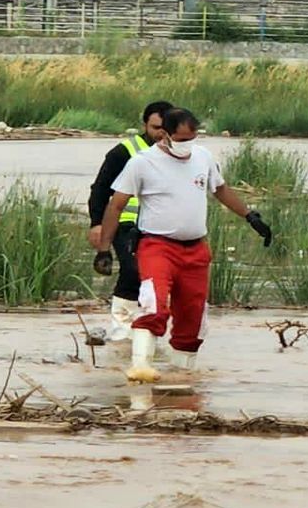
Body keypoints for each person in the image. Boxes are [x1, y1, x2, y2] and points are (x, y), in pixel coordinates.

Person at [95, 108, 273, 382]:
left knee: (193, 319)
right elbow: (116, 205)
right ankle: (140, 368)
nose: (187, 144)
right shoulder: (142, 162)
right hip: (156, 246)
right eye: (181, 138)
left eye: (192, 137)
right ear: (164, 135)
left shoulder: (203, 157)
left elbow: (221, 190)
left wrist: (249, 216)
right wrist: (104, 249)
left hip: (196, 249)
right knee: (154, 307)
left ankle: (182, 379)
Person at [87, 100, 173, 341]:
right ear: (144, 124)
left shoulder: (181, 152)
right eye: (155, 127)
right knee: (133, 269)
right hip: (126, 224)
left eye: (165, 128)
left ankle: (150, 330)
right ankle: (122, 332)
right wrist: (97, 223)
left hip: (163, 226)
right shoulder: (124, 152)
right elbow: (101, 189)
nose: (160, 134)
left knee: (161, 276)